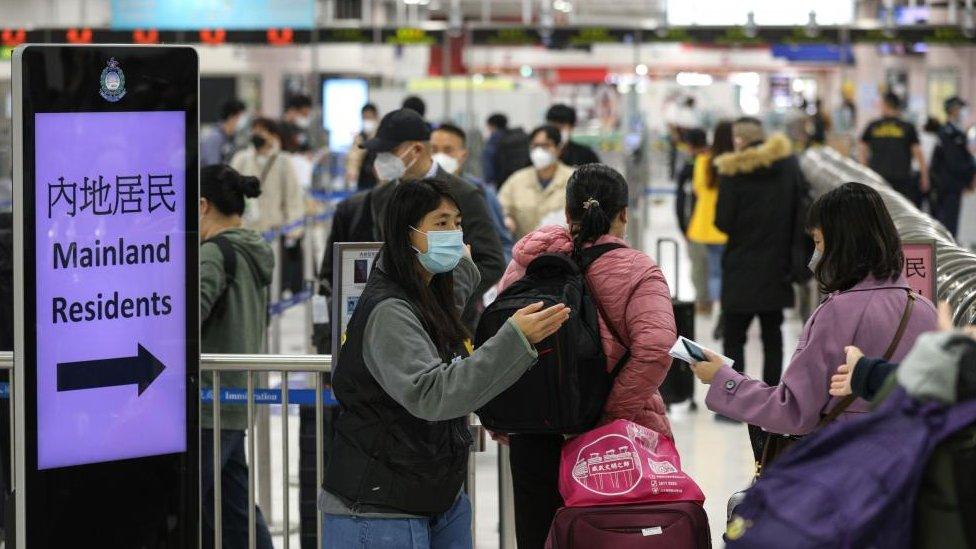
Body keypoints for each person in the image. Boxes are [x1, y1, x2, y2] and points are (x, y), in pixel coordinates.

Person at [321, 178, 570, 549]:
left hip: (434, 490)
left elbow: (435, 323)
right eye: (440, 224)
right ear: (405, 232)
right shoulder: (389, 310)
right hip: (379, 503)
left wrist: (464, 271)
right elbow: (432, 393)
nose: (453, 233)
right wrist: (514, 339)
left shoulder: (422, 292)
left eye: (457, 223)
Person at [496, 164, 677, 549]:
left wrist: (507, 417)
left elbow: (502, 339)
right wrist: (608, 418)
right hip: (614, 442)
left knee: (539, 536)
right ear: (624, 213)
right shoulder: (637, 269)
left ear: (567, 214)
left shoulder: (528, 263)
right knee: (608, 536)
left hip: (535, 432)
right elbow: (655, 347)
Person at [690, 182, 938, 436]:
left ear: (843, 243)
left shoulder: (837, 313)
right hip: (911, 458)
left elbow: (793, 411)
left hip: (847, 459)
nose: (816, 252)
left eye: (819, 242)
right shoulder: (924, 309)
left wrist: (724, 379)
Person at [317, 108, 505, 331]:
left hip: (450, 326)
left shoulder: (464, 194)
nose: (380, 159)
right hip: (390, 322)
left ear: (416, 149)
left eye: (388, 151)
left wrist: (444, 297)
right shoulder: (380, 197)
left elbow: (492, 262)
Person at [199, 164, 276, 549]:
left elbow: (185, 321)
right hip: (235, 395)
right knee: (234, 508)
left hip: (209, 401)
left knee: (190, 499)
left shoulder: (213, 255)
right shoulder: (252, 248)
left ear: (202, 205)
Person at [713, 118, 804, 400]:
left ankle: (734, 399)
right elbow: (799, 211)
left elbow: (723, 222)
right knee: (772, 335)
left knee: (734, 336)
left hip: (741, 265)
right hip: (776, 264)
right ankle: (773, 396)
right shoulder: (788, 167)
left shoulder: (732, 171)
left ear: (738, 140)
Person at [230, 117, 306, 295]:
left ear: (273, 135)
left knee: (272, 285)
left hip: (273, 232)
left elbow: (293, 198)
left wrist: (293, 231)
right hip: (245, 231)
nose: (257, 134)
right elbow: (230, 190)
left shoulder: (283, 161)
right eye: (255, 130)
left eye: (262, 130)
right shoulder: (242, 158)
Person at [431, 123, 514, 264]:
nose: (439, 156)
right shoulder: (421, 189)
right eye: (434, 150)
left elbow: (504, 244)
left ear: (463, 155)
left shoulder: (479, 191)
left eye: (447, 150)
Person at [498, 125, 574, 240]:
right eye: (535, 146)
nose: (539, 151)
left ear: (559, 149)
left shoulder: (574, 178)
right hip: (524, 251)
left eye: (545, 146)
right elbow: (501, 207)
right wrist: (507, 218)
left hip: (565, 251)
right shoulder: (516, 180)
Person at [686, 126, 728, 318]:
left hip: (702, 226)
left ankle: (707, 307)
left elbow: (696, 190)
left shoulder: (702, 161)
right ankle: (723, 310)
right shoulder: (733, 164)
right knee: (720, 271)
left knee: (704, 271)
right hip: (725, 227)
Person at [859, 92, 930, 204]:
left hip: (877, 177)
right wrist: (924, 176)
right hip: (902, 178)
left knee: (879, 210)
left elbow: (862, 148)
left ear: (886, 105)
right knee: (900, 212)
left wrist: (864, 170)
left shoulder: (873, 126)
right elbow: (918, 153)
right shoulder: (907, 127)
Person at [930, 96, 976, 237]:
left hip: (950, 184)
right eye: (961, 108)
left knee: (950, 223)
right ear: (954, 110)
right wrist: (971, 174)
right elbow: (955, 162)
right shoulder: (949, 133)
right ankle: (946, 255)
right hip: (948, 185)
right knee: (947, 225)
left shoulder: (954, 132)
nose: (963, 112)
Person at [201, 99, 247, 166]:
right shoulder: (214, 137)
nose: (243, 120)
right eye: (240, 116)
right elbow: (213, 167)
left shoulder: (232, 136)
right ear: (231, 117)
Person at [345, 103, 380, 190]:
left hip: (378, 180)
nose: (367, 121)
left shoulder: (381, 136)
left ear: (376, 117)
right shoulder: (360, 137)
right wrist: (352, 172)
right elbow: (353, 157)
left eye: (370, 118)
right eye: (365, 118)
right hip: (363, 180)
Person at [481, 113, 508, 186]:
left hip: (499, 184)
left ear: (492, 126)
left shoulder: (493, 142)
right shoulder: (512, 139)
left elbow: (488, 169)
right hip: (515, 182)